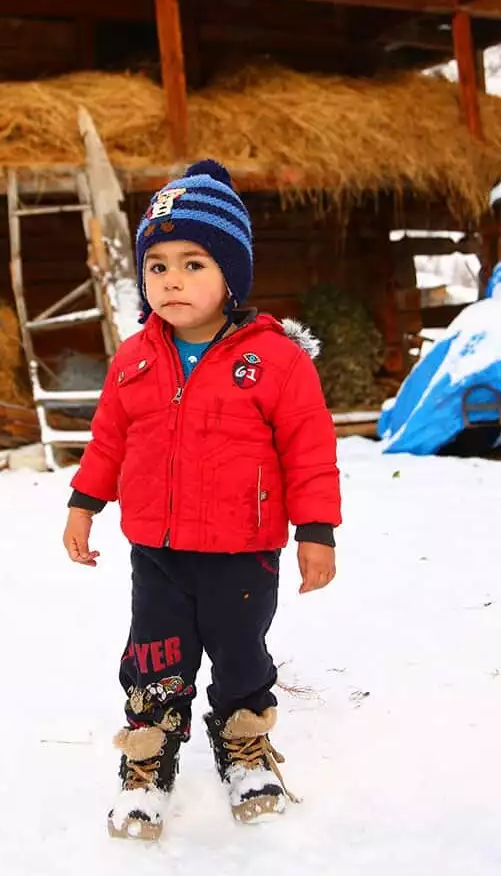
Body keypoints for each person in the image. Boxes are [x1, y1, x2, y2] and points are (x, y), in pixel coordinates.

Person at [63, 159, 340, 840]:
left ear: (231, 276)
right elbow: (107, 441)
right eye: (156, 265)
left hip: (243, 550)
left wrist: (316, 530)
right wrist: (82, 503)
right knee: (153, 660)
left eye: (192, 263)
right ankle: (147, 761)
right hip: (156, 551)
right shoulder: (133, 360)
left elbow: (309, 449)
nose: (171, 280)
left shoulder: (274, 360)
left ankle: (243, 745)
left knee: (241, 657)